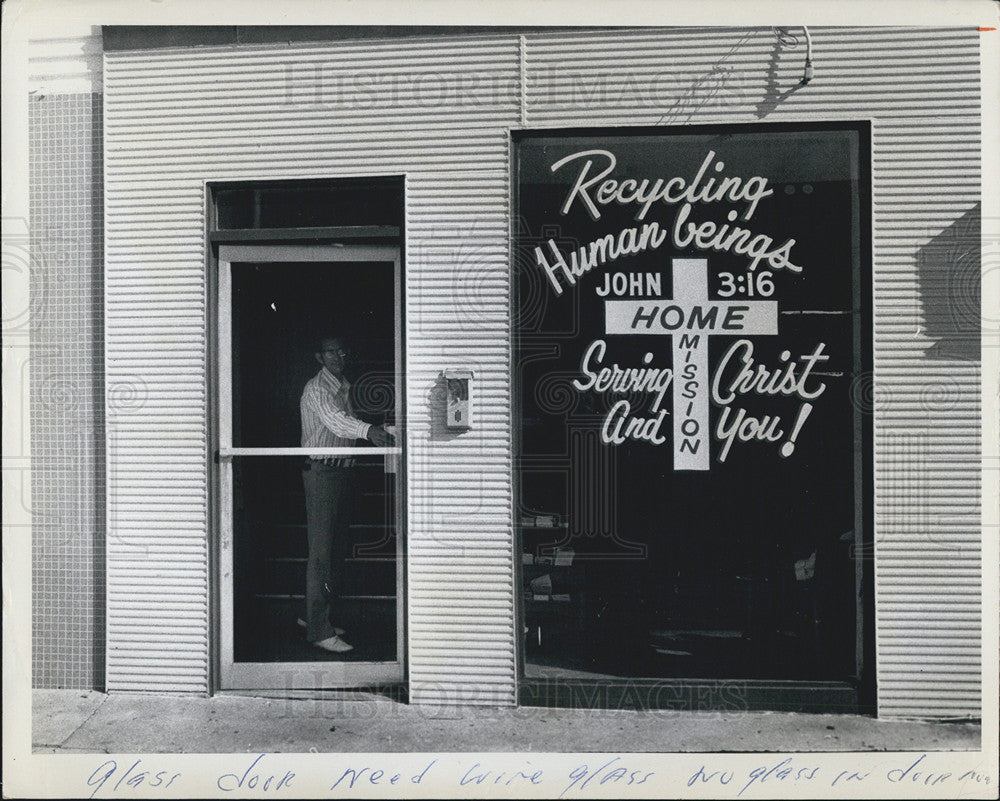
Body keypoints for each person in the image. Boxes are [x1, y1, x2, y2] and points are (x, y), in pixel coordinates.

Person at [300, 336, 393, 653]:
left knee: (334, 550)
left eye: (343, 350)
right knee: (322, 553)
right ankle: (318, 631)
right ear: (318, 356)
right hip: (323, 471)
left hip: (341, 470)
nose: (339, 355)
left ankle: (315, 617)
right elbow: (336, 423)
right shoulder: (317, 388)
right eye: (331, 351)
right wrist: (370, 431)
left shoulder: (344, 385)